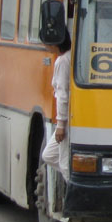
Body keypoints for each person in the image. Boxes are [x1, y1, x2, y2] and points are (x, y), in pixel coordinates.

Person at [41, 31, 72, 174]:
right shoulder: (70, 56)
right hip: (68, 118)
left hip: (66, 121)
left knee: (65, 164)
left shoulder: (62, 61)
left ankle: (76, 190)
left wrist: (60, 125)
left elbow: (63, 94)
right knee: (49, 155)